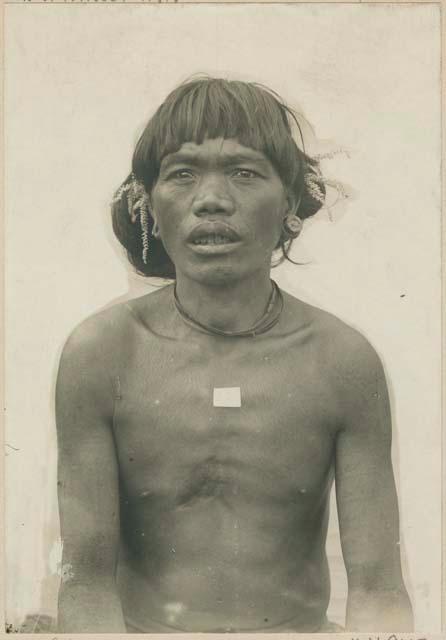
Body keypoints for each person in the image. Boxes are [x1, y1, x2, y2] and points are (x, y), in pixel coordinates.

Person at [56, 77, 413, 633]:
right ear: (147, 203)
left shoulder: (342, 360)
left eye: (244, 173)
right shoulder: (101, 355)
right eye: (182, 173)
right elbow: (85, 585)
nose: (212, 200)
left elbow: (377, 590)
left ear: (290, 201)